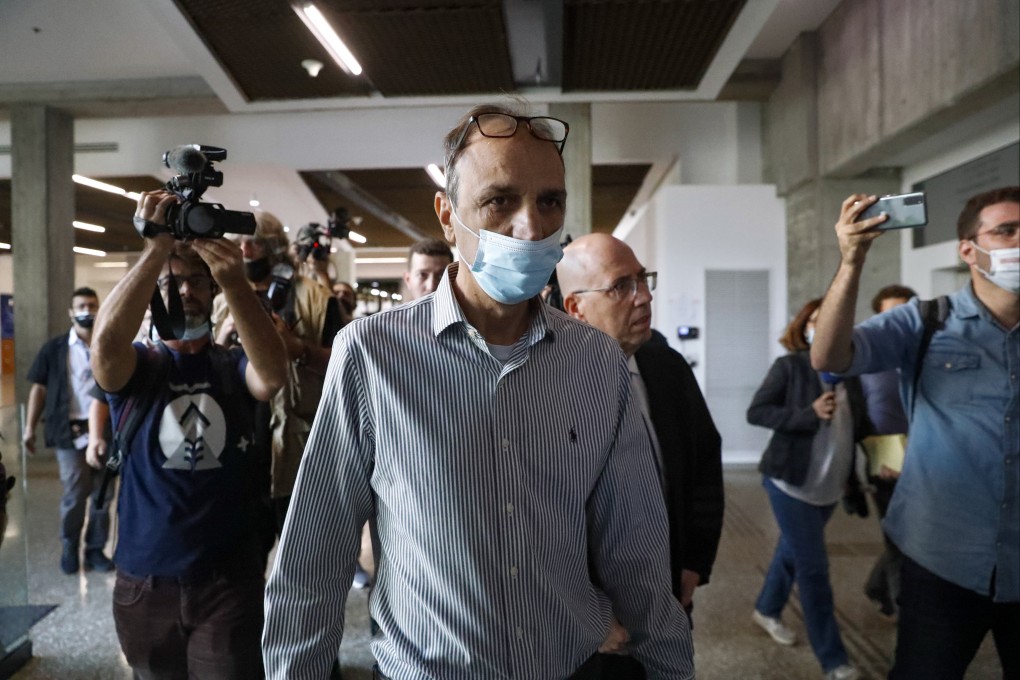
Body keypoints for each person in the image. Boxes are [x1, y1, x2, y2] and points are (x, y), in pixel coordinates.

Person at [263, 103, 694, 679]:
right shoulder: (373, 356)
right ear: (448, 215)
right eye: (500, 200)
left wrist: (671, 668)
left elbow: (636, 554)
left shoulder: (595, 363)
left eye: (550, 201)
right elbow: (315, 558)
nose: (531, 227)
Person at [811, 186, 1019, 680]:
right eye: (1007, 231)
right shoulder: (926, 321)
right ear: (968, 249)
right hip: (942, 558)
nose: (1019, 242)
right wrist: (852, 262)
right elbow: (830, 358)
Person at [90, 189, 287, 679]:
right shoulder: (141, 368)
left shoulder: (231, 365)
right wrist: (155, 249)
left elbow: (272, 376)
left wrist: (235, 283)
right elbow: (105, 352)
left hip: (228, 581)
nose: (185, 292)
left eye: (196, 282)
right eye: (172, 283)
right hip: (145, 581)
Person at [557, 233, 724, 677]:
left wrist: (694, 562)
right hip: (586, 635)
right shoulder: (545, 389)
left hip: (667, 602)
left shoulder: (665, 367)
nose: (644, 297)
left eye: (643, 280)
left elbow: (704, 463)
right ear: (576, 307)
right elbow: (536, 520)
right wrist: (589, 614)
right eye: (621, 286)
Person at [747, 298, 867, 680]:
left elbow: (858, 427)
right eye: (816, 320)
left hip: (829, 486)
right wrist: (807, 414)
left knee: (791, 552)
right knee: (813, 568)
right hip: (790, 483)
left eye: (833, 322)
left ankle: (767, 609)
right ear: (805, 327)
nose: (825, 327)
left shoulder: (853, 373)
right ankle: (835, 661)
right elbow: (758, 412)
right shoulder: (790, 367)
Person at [215, 213, 341, 533]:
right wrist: (223, 337)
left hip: (299, 446)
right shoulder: (220, 303)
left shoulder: (317, 298)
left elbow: (345, 365)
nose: (245, 251)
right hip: (237, 445)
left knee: (302, 554)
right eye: (239, 243)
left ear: (275, 248)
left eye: (254, 243)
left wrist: (298, 348)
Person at [23, 287, 115, 574]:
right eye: (81, 306)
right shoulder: (55, 348)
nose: (87, 310)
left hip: (105, 432)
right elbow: (39, 389)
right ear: (71, 312)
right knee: (75, 493)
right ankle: (69, 546)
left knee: (103, 494)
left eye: (92, 305)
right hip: (68, 431)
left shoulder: (109, 346)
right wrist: (29, 428)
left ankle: (96, 550)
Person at [858, 284, 916, 621]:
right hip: (884, 457)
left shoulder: (923, 352)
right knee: (898, 537)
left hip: (925, 455)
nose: (895, 316)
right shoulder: (867, 358)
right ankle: (903, 608)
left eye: (903, 309)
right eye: (888, 311)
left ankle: (877, 587)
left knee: (915, 532)